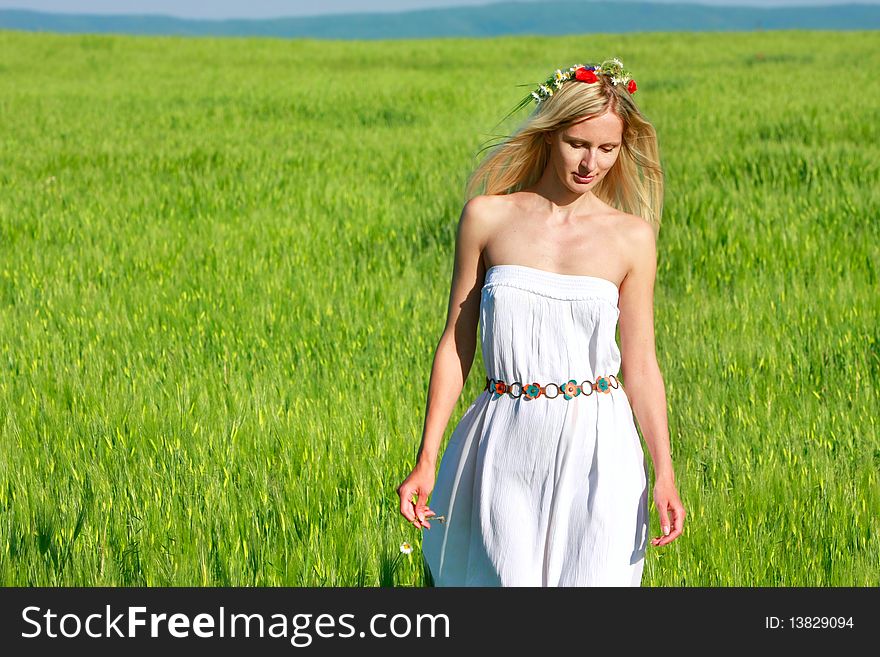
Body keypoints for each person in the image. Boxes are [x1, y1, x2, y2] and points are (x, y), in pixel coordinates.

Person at [396, 57, 685, 586]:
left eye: (607, 149)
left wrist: (663, 470)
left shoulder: (631, 238)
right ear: (551, 136)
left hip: (601, 448)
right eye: (578, 143)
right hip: (504, 438)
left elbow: (641, 364)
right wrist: (427, 458)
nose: (590, 163)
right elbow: (457, 342)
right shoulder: (487, 217)